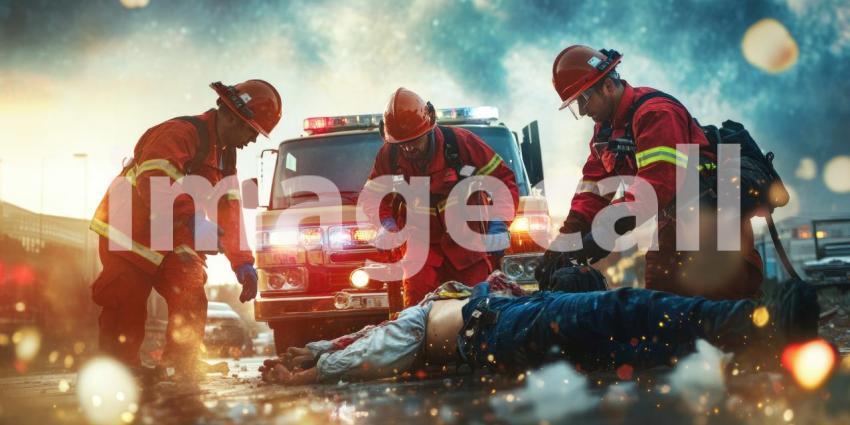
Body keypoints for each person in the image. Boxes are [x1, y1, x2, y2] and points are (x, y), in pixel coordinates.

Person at [259, 271, 818, 385]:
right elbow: (375, 349)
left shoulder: (424, 309)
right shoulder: (414, 319)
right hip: (498, 329)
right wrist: (317, 371)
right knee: (624, 310)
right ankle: (757, 324)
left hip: (509, 323)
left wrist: (317, 353)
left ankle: (748, 342)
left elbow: (355, 342)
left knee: (629, 346)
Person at [89, 80, 282, 378]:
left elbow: (228, 210)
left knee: (191, 293)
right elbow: (155, 180)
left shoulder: (225, 156)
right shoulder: (179, 133)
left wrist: (242, 262)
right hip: (128, 234)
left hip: (173, 234)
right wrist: (191, 220)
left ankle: (181, 364)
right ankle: (119, 372)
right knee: (126, 302)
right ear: (233, 117)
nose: (252, 140)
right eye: (251, 131)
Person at [540, 45, 764, 299]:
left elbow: (657, 185)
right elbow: (593, 188)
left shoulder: (657, 114)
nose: (582, 111)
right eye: (575, 105)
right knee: (663, 301)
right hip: (675, 220)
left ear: (608, 86)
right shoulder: (606, 131)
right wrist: (565, 240)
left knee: (726, 304)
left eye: (583, 99)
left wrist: (604, 232)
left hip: (715, 220)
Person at [363, 87, 520, 307]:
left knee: (478, 310)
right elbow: (372, 198)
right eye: (402, 144)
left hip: (468, 249)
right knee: (417, 314)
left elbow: (502, 180)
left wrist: (499, 221)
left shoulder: (461, 143)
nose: (408, 149)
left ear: (429, 129)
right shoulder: (389, 155)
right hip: (420, 254)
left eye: (414, 141)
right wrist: (385, 224)